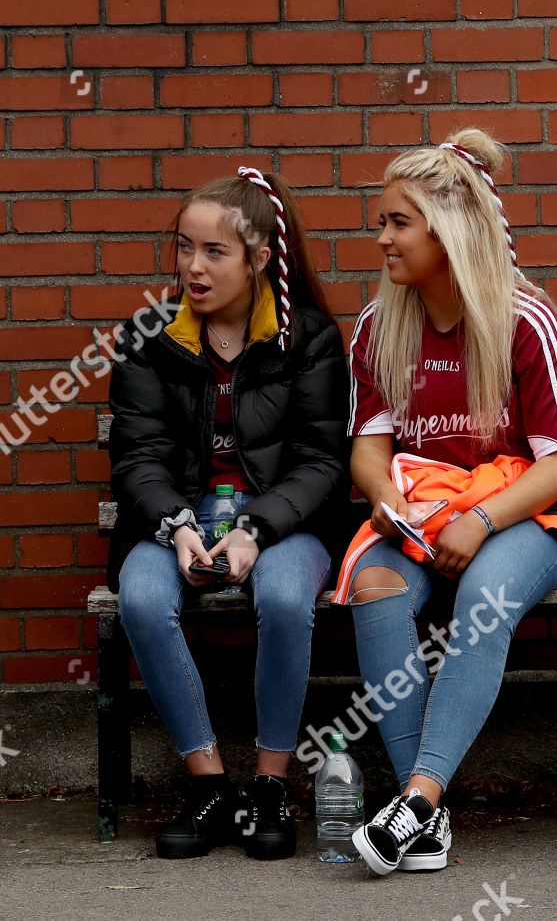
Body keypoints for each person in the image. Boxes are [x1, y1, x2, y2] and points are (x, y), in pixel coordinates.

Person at [340, 128, 557, 876]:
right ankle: (429, 814)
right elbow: (368, 447)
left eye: (397, 222)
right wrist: (384, 495)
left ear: (446, 230)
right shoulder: (378, 326)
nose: (380, 237)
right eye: (381, 220)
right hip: (423, 512)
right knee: (375, 585)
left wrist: (483, 518)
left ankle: (415, 797)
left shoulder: (525, 319)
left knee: (483, 594)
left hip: (525, 513)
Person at [110, 168, 349, 860]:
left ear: (258, 258)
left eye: (214, 252)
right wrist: (178, 528)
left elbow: (321, 464)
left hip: (284, 524)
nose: (193, 267)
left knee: (281, 594)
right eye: (185, 248)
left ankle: (270, 786)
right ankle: (207, 782)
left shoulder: (307, 340)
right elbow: (138, 459)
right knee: (144, 596)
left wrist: (255, 529)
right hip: (175, 519)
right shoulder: (150, 337)